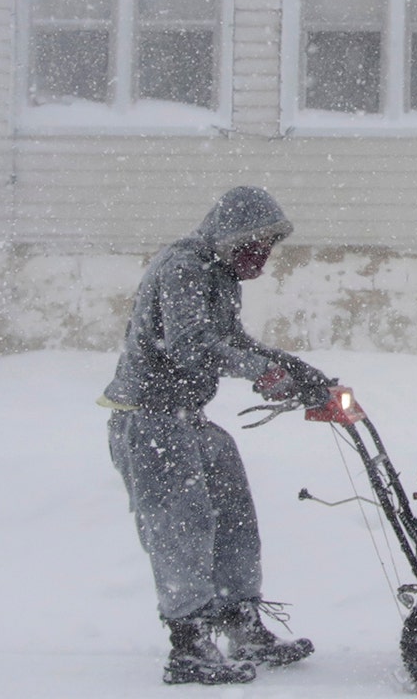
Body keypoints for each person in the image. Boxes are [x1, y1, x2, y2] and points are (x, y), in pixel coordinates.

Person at [100, 186, 333, 686]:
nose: (265, 259)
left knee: (232, 515)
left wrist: (297, 370)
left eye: (271, 249)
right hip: (149, 418)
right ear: (233, 239)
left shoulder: (222, 277)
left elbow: (234, 340)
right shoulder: (184, 269)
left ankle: (240, 623)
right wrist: (259, 373)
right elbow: (190, 346)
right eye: (258, 247)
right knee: (182, 527)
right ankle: (189, 644)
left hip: (188, 417)